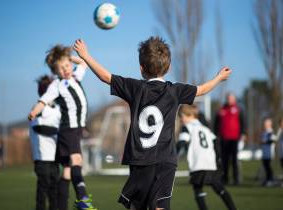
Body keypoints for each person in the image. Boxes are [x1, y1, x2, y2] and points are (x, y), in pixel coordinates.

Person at [73, 36, 231, 210]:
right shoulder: (175, 90)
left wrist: (85, 56)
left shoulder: (135, 88)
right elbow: (201, 89)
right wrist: (218, 78)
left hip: (139, 159)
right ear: (169, 67)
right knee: (159, 206)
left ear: (141, 68)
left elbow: (105, 76)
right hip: (165, 160)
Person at [28, 45, 96, 210]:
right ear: (55, 71)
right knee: (77, 160)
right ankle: (83, 200)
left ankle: (60, 206)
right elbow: (43, 100)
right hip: (68, 130)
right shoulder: (57, 85)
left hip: (76, 130)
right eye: (61, 68)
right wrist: (33, 112)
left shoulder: (75, 76)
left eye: (67, 66)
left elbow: (83, 63)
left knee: (67, 169)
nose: (66, 69)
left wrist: (68, 57)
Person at [177, 105, 237, 210]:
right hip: (210, 163)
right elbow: (216, 142)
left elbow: (182, 143)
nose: (180, 119)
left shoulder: (187, 128)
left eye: (181, 116)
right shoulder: (205, 128)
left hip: (198, 164)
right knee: (218, 187)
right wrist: (217, 158)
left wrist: (175, 153)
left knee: (198, 189)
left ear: (189, 115)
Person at [29, 75, 60, 210]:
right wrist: (61, 132)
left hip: (55, 157)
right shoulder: (37, 108)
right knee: (43, 190)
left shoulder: (58, 109)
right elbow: (38, 127)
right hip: (42, 157)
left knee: (54, 191)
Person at [214, 93, 246, 185]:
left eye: (231, 98)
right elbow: (216, 123)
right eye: (228, 98)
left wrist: (243, 133)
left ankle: (236, 179)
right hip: (224, 138)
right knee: (224, 159)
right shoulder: (221, 109)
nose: (229, 100)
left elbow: (243, 122)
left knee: (235, 159)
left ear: (234, 99)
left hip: (235, 138)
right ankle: (225, 178)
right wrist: (216, 135)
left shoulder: (239, 109)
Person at [260, 117, 276, 187]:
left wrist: (265, 142)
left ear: (270, 124)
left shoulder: (270, 132)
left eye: (266, 123)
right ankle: (267, 179)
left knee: (269, 167)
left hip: (269, 154)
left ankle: (271, 180)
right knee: (266, 167)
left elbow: (273, 140)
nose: (265, 124)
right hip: (264, 153)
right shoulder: (264, 132)